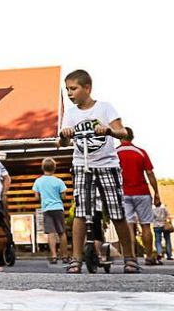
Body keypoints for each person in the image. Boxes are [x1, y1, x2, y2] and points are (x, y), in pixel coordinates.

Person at [59, 69, 139, 274]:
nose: (69, 93)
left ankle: (130, 258)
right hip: (81, 165)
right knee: (80, 212)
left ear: (87, 88)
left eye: (73, 88)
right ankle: (75, 259)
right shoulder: (70, 114)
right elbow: (63, 141)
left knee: (116, 211)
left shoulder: (105, 108)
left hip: (106, 165)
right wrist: (65, 135)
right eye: (67, 89)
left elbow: (125, 133)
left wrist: (109, 130)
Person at [115, 128, 161, 267]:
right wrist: (156, 192)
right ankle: (148, 256)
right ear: (132, 137)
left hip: (123, 193)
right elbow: (150, 173)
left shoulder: (115, 153)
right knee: (146, 225)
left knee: (128, 225)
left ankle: (131, 256)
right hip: (142, 192)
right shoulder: (141, 152)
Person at [32, 157, 68, 264]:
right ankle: (65, 255)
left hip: (47, 209)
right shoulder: (59, 181)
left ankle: (53, 256)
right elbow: (64, 196)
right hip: (58, 208)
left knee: (51, 233)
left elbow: (36, 197)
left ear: (43, 168)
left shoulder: (38, 181)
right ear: (54, 168)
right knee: (61, 232)